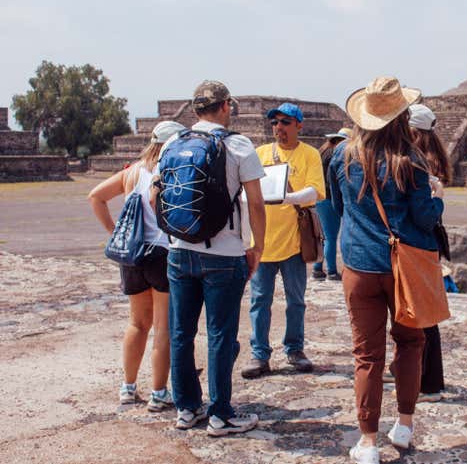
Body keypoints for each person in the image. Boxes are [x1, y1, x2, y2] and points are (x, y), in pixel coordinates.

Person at [330, 76, 444, 463]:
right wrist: (438, 198)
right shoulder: (411, 161)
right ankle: (404, 426)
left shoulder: (341, 156)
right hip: (403, 269)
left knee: (367, 356)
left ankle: (366, 442)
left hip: (359, 265)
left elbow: (340, 207)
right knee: (411, 344)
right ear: (401, 117)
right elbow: (426, 220)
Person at [152, 81, 267, 436]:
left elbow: (157, 193)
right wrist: (256, 247)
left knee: (180, 332)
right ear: (226, 107)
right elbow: (257, 203)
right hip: (225, 252)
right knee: (220, 334)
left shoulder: (173, 143)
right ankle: (220, 413)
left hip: (180, 251)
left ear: (194, 109)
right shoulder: (238, 145)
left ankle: (186, 408)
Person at [88, 120, 184, 411]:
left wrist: (114, 231)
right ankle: (158, 393)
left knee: (137, 323)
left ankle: (128, 388)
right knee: (163, 328)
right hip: (162, 252)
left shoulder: (133, 172)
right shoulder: (168, 171)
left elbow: (96, 196)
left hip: (133, 253)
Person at [241, 102, 325, 379]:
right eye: (275, 123)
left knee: (296, 300)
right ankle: (259, 354)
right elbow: (245, 191)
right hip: (262, 241)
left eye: (285, 122)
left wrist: (289, 197)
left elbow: (315, 191)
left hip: (293, 241)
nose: (279, 128)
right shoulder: (261, 153)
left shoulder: (309, 155)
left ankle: (294, 348)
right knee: (260, 301)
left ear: (299, 125)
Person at [408, 103, 450, 403]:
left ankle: (430, 382)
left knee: (423, 313)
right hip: (425, 240)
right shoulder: (427, 157)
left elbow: (424, 209)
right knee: (418, 311)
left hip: (421, 241)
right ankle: (414, 373)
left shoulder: (421, 162)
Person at [312, 127, 352, 281]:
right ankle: (332, 271)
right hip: (329, 199)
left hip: (319, 197)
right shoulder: (337, 155)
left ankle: (317, 268)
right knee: (330, 237)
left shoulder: (322, 153)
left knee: (322, 235)